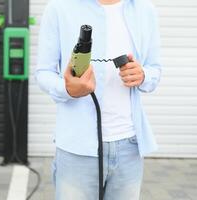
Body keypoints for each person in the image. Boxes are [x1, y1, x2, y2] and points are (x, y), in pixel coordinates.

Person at [35, 0, 161, 199]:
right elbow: (43, 73)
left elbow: (155, 69)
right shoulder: (59, 8)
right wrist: (67, 88)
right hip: (76, 147)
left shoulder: (146, 10)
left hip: (129, 147)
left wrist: (143, 75)